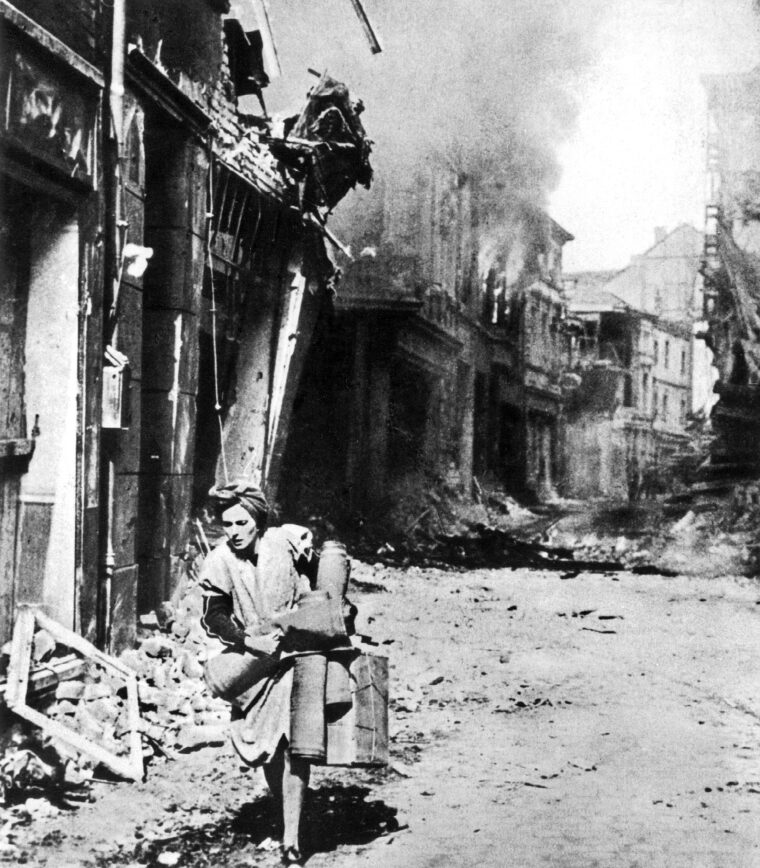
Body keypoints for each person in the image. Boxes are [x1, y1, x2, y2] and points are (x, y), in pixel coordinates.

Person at [199, 481, 318, 866]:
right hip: (256, 660)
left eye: (240, 523)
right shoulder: (220, 559)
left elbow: (322, 579)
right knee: (267, 746)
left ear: (257, 521)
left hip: (298, 651)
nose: (233, 531)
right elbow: (213, 615)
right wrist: (247, 640)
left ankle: (292, 839)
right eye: (226, 524)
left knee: (294, 744)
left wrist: (322, 614)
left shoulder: (285, 542)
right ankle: (284, 812)